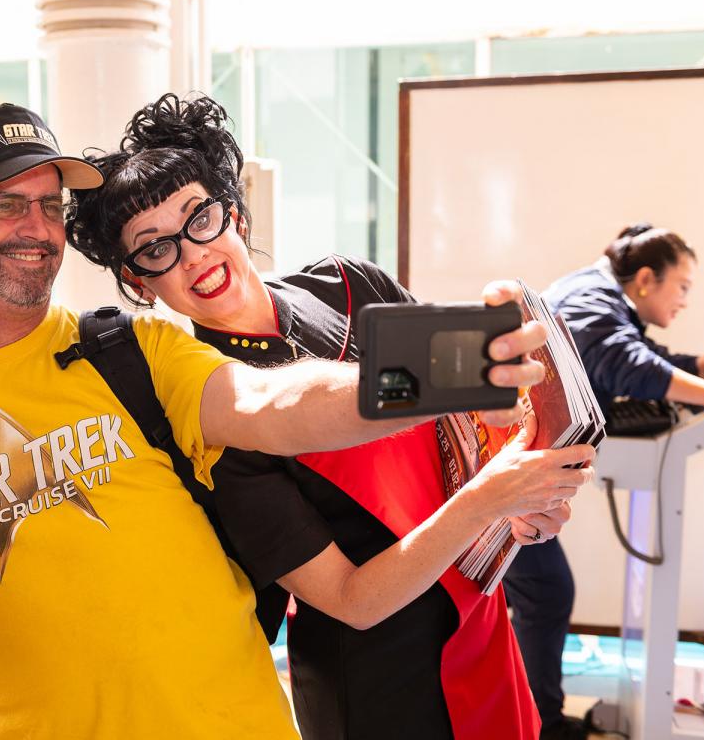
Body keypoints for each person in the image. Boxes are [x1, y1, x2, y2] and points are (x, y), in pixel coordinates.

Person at [0, 102, 564, 740]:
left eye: (49, 205)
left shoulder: (133, 351)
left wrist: (450, 370)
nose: (36, 228)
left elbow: (269, 403)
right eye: (5, 204)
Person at [63, 93, 594, 740]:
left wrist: (525, 500)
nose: (193, 254)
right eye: (155, 250)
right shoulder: (212, 412)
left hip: (479, 616)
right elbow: (352, 600)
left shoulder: (347, 284)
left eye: (199, 217)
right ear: (139, 282)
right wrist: (489, 500)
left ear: (234, 213)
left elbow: (463, 430)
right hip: (376, 679)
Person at [502, 223, 704, 740]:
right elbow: (627, 365)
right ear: (645, 279)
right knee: (546, 591)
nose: (685, 300)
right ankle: (540, 726)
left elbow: (648, 361)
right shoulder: (592, 299)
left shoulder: (599, 298)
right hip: (505, 464)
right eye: (682, 286)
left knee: (541, 591)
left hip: (513, 462)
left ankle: (531, 717)